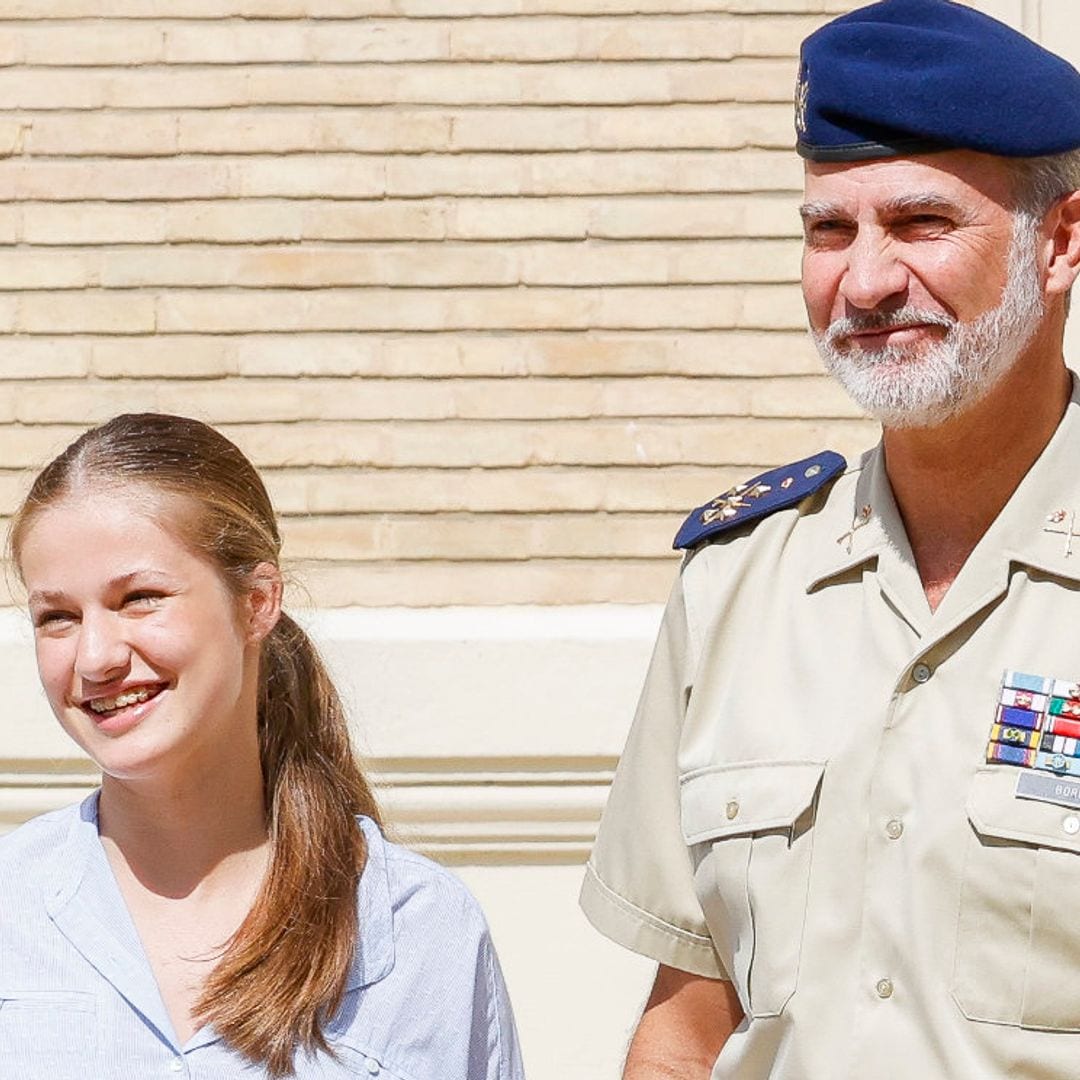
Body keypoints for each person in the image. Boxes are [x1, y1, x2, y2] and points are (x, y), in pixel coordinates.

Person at [579, 1, 1080, 1077]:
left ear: (1064, 243)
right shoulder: (740, 585)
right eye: (827, 230)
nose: (863, 283)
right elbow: (689, 1015)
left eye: (920, 224)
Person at [0, 413, 525, 1080]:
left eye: (140, 599)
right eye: (59, 618)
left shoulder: (419, 929)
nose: (96, 656)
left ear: (257, 602)